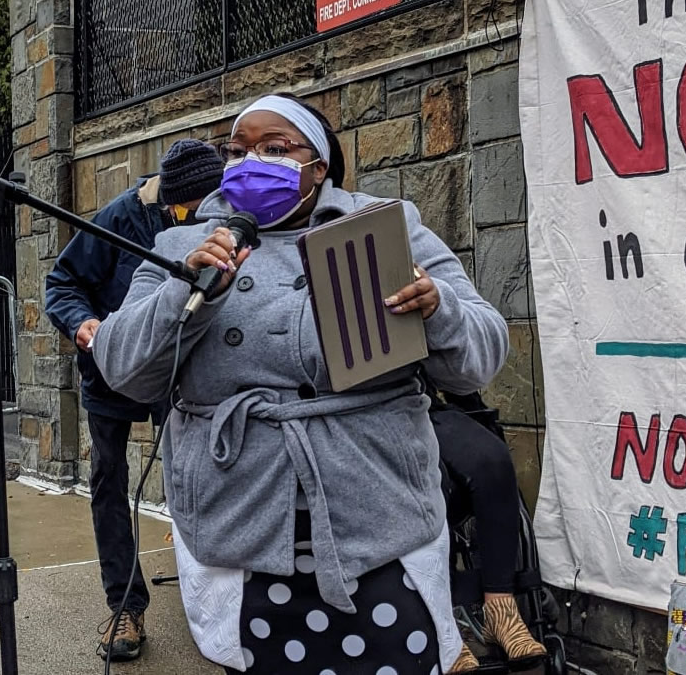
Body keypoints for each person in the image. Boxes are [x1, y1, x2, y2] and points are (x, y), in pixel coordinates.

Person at [94, 95, 509, 674]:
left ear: (319, 166)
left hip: (374, 508)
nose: (248, 162)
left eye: (274, 149)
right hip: (241, 515)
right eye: (236, 152)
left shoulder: (385, 227)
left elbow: (481, 357)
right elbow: (124, 371)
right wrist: (184, 294)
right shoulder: (178, 245)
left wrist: (439, 311)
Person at [44, 138, 248, 661]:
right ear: (167, 202)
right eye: (190, 211)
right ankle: (125, 606)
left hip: (179, 371)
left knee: (196, 474)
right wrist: (81, 323)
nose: (202, 220)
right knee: (109, 482)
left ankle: (216, 592)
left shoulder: (228, 214)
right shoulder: (118, 218)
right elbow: (60, 283)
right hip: (111, 368)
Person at [430, 393, 548, 671]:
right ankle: (441, 627)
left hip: (415, 396)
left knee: (492, 460)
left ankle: (500, 611)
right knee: (431, 483)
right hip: (358, 417)